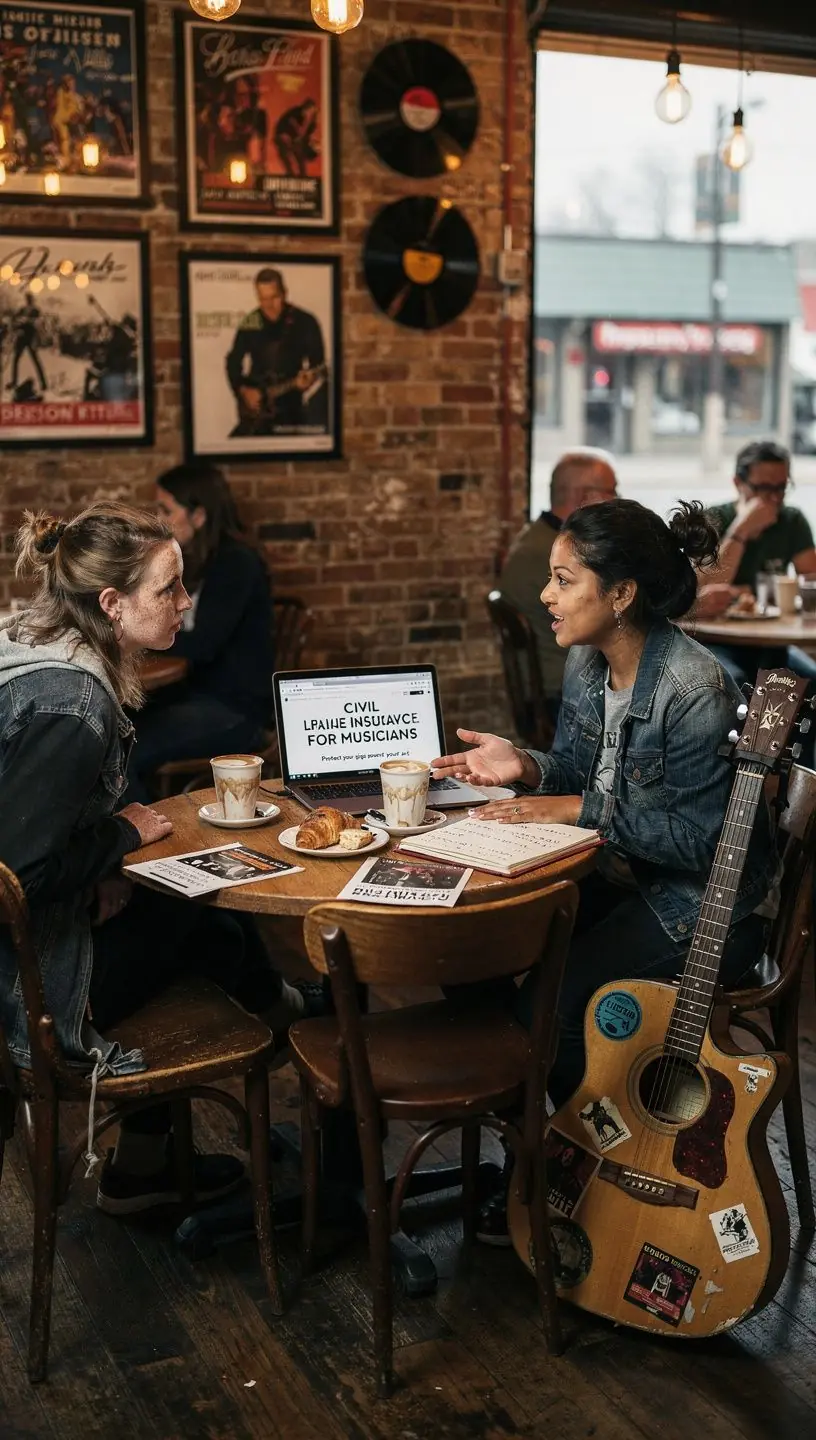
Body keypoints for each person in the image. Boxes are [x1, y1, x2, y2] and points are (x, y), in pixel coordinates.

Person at [433, 498, 776, 1243]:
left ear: (621, 594)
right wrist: (525, 765)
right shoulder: (590, 661)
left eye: (564, 580)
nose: (546, 596)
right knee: (474, 955)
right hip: (623, 876)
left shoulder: (693, 689)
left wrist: (574, 809)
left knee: (546, 1010)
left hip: (700, 905)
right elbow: (582, 775)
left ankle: (573, 1176)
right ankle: (536, 1148)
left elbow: (704, 847)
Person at [0, 503, 319, 1215]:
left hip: (29, 952)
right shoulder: (72, 702)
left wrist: (106, 860)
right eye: (169, 588)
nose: (186, 602)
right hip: (28, 988)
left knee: (197, 920)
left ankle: (152, 1159)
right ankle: (297, 1027)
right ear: (112, 604)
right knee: (197, 920)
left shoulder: (31, 637)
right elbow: (19, 873)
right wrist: (118, 842)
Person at [126, 465, 274, 800]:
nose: (159, 519)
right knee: (116, 728)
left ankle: (144, 840)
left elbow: (204, 644)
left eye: (167, 510)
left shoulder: (237, 563)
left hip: (237, 710)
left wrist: (137, 639)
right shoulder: (200, 560)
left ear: (199, 515)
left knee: (127, 751)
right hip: (198, 694)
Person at [498, 449, 618, 724]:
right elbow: (616, 618)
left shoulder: (538, 536)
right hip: (563, 695)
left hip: (548, 686)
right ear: (583, 497)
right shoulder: (560, 554)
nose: (617, 501)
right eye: (611, 491)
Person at [697, 439, 816, 688]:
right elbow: (699, 589)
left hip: (773, 640)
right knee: (737, 683)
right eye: (763, 488)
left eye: (781, 488)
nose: (774, 498)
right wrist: (741, 530)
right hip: (717, 642)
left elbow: (812, 581)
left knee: (810, 683)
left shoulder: (791, 521)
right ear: (738, 484)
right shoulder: (713, 520)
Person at [226, 267, 327, 437]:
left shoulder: (306, 322)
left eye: (274, 297)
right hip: (256, 413)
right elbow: (232, 362)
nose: (268, 306)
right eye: (262, 299)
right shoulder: (250, 322)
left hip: (291, 410)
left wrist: (309, 380)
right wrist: (244, 391)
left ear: (285, 293)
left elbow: (319, 365)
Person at [274, 98, 318, 177]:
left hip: (294, 140)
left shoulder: (311, 122)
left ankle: (302, 175)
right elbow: (298, 131)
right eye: (310, 112)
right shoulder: (295, 113)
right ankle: (290, 173)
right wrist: (306, 122)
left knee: (299, 153)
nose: (311, 115)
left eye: (313, 113)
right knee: (287, 150)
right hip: (283, 135)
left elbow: (304, 136)